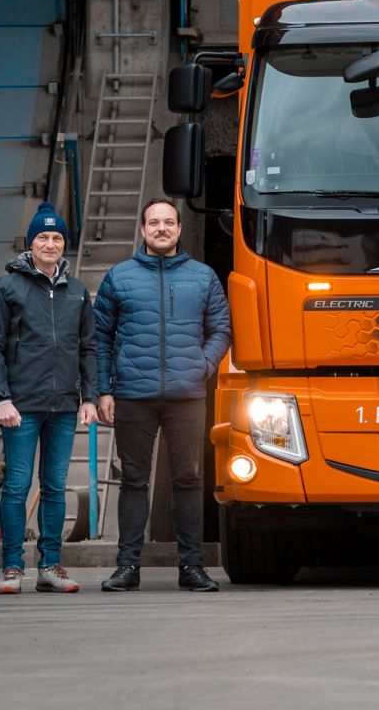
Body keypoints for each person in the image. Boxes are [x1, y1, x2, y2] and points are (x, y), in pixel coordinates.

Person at [95, 198, 232, 592]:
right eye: (154, 223)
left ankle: (192, 567)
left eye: (169, 222)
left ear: (179, 229)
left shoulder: (202, 276)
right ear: (143, 229)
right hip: (132, 395)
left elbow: (221, 329)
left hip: (186, 396)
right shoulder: (119, 277)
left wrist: (202, 365)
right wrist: (104, 390)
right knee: (134, 480)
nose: (161, 229)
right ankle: (127, 567)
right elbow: (100, 337)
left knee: (189, 479)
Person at [0, 202, 98, 594]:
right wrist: (2, 398)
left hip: (64, 405)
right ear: (30, 243)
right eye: (43, 237)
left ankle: (50, 565)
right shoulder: (6, 288)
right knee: (17, 485)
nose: (50, 243)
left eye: (57, 237)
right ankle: (12, 567)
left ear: (64, 243)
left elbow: (88, 347)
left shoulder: (77, 291)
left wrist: (89, 397)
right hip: (21, 406)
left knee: (54, 486)